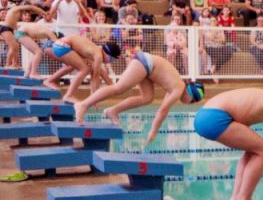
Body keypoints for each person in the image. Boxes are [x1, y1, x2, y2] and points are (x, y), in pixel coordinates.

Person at [74, 51, 205, 143]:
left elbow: (162, 108)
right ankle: (83, 104)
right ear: (190, 93)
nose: (190, 103)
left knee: (147, 98)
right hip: (145, 63)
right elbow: (163, 111)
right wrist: (153, 132)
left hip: (148, 68)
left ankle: (113, 111)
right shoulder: (178, 89)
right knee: (119, 88)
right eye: (193, 101)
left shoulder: (176, 86)